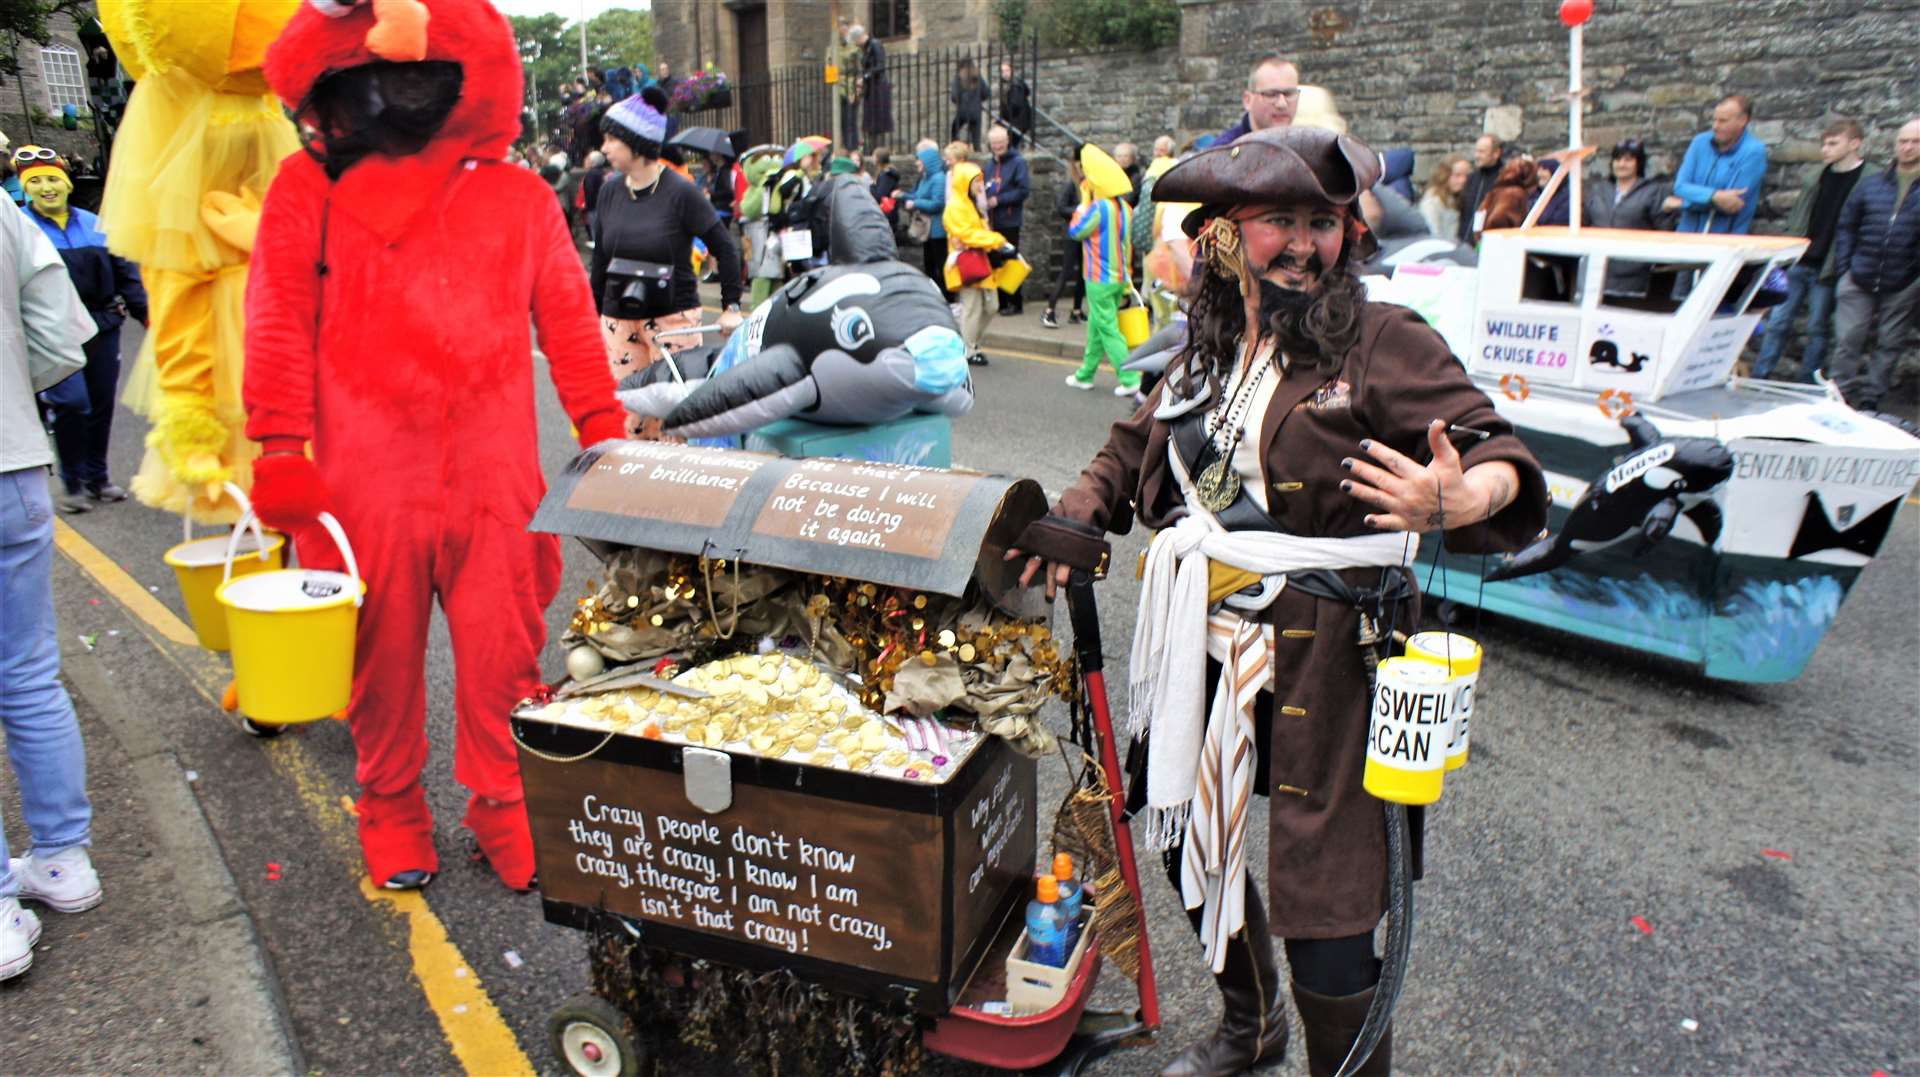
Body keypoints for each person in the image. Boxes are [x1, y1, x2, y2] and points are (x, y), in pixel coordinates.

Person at [1008, 124, 1546, 1077]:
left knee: (1330, 902)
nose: (1304, 244)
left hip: (1338, 648)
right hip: (1206, 633)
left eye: (1323, 222)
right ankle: (1250, 1025)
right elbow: (1136, 442)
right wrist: (1080, 507)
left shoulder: (1384, 340)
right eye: (1278, 223)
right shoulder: (1208, 345)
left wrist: (1464, 495)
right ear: (1222, 236)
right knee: (1188, 836)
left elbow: (1494, 448)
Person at [244, 0, 630, 892]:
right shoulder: (306, 192)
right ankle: (390, 806)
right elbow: (277, 320)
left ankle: (502, 802)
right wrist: (277, 443)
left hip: (494, 478)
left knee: (506, 653)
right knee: (376, 659)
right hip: (361, 482)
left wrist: (601, 428)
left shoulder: (520, 196)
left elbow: (568, 324)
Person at [1, 189, 105, 984]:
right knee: (31, 672)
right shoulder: (5, 216)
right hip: (15, 465)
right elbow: (64, 339)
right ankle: (64, 859)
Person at [591, 94, 744, 432]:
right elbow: (602, 256)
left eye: (612, 139)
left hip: (672, 319)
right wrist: (594, 311)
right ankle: (633, 484)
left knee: (674, 419)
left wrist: (731, 305)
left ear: (636, 142)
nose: (604, 148)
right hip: (619, 319)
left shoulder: (680, 191)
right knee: (628, 417)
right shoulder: (610, 191)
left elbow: (725, 246)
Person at [15, 147, 147, 514]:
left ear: (68, 183)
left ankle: (98, 479)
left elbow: (126, 275)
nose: (46, 188)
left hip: (102, 326)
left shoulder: (94, 225)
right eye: (35, 182)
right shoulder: (19, 230)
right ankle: (72, 483)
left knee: (102, 404)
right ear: (26, 189)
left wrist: (148, 316)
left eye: (53, 179)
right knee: (72, 403)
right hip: (51, 333)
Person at [1753, 119, 1866, 381]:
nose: (1825, 150)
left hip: (1828, 265)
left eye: (1832, 143)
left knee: (1817, 327)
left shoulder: (1867, 179)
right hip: (1800, 260)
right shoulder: (1816, 176)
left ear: (1854, 144)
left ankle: (1808, 382)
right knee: (1778, 321)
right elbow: (1798, 218)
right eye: (1823, 144)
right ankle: (1761, 375)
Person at [1827, 117, 1920, 412]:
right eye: (1902, 141)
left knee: (1890, 343)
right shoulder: (1872, 185)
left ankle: (1872, 398)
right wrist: (1845, 268)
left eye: (1915, 142)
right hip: (1860, 274)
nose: (1907, 147)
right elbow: (1847, 225)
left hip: (1904, 280)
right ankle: (1839, 397)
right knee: (1847, 339)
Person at [1063, 145, 1137, 396]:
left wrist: (1081, 207)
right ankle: (1085, 374)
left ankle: (1129, 377)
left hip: (1098, 277)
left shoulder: (1098, 208)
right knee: (1097, 325)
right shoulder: (1125, 208)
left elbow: (1076, 231)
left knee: (1107, 327)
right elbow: (1127, 246)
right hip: (1118, 276)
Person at [1583, 139, 1678, 296]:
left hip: (1635, 273)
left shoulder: (1653, 191)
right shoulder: (1598, 190)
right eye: (1617, 159)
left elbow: (1664, 230)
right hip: (1596, 271)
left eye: (1628, 160)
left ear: (1638, 163)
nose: (1621, 164)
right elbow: (1585, 223)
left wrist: (1668, 212)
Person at [942, 143, 1007, 368]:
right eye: (976, 181)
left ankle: (970, 343)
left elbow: (977, 234)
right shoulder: (956, 207)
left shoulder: (970, 205)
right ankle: (969, 349)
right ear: (965, 183)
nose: (980, 185)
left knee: (991, 306)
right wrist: (997, 240)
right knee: (972, 308)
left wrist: (990, 239)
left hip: (980, 260)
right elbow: (968, 235)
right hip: (967, 262)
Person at [1666, 94, 1768, 235]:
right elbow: (1680, 187)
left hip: (1725, 242)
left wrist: (1682, 203)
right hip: (1685, 238)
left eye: (1723, 121)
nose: (1715, 126)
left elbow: (1732, 204)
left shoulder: (1753, 151)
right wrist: (1715, 195)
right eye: (1714, 119)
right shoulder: (1699, 142)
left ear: (1743, 120)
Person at [984, 125, 1030, 316]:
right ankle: (1002, 301)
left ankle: (1015, 302)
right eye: (994, 143)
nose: (997, 146)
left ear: (1007, 141)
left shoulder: (1018, 162)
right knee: (996, 261)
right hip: (992, 221)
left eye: (1000, 142)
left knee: (1010, 261)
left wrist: (999, 200)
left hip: (1009, 220)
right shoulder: (989, 165)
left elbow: (1023, 191)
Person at [902, 139, 950, 301]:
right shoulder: (926, 178)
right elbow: (919, 195)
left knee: (940, 265)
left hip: (937, 230)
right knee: (929, 264)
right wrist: (903, 196)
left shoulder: (938, 179)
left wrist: (915, 203)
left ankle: (946, 296)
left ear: (927, 161)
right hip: (928, 231)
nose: (916, 163)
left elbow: (937, 204)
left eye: (919, 160)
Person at [1214, 55, 1300, 145]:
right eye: (1271, 94)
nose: (1282, 104)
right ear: (1248, 100)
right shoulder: (1224, 152)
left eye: (1289, 94)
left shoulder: (1306, 147)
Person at [739, 152, 785, 308]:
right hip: (753, 237)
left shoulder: (778, 185)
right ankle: (757, 310)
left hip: (771, 236)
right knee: (758, 277)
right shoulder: (756, 189)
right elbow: (748, 208)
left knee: (775, 276)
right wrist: (763, 189)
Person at [1041, 175, 1085, 329]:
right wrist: (1078, 209)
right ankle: (1049, 311)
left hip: (1086, 234)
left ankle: (1077, 311)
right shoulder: (1072, 184)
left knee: (1083, 274)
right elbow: (1061, 207)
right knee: (1066, 272)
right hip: (1072, 234)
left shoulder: (1092, 185)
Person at [1457, 133, 1508, 243]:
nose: (1477, 156)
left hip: (1489, 242)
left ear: (1496, 153)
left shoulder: (1504, 180)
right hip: (1465, 242)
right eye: (1476, 151)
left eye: (1482, 152)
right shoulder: (1472, 179)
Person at [1476, 155, 1541, 239]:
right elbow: (1497, 219)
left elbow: (1479, 216)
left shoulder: (1495, 191)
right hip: (1501, 242)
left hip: (1487, 242)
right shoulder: (1514, 194)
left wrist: (1479, 237)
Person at [854, 25, 892, 147]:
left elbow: (880, 66)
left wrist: (865, 77)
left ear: (859, 37)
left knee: (878, 121)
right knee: (870, 121)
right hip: (871, 87)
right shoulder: (866, 48)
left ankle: (878, 147)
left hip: (878, 86)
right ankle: (871, 146)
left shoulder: (875, 44)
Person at [1418, 155, 1470, 239]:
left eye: (1466, 176)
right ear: (1445, 175)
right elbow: (1432, 233)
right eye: (1457, 175)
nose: (1463, 180)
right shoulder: (1433, 201)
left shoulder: (1458, 197)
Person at [949, 58, 987, 149]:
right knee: (976, 139)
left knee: (955, 130)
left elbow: (954, 96)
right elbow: (986, 93)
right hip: (976, 112)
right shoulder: (978, 77)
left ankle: (955, 148)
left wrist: (960, 101)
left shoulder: (958, 77)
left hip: (963, 111)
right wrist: (978, 100)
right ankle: (977, 152)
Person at [996, 59, 1032, 147]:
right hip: (1017, 121)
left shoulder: (1015, 85)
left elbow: (1015, 105)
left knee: (1009, 146)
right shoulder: (1010, 84)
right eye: (1002, 71)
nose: (1005, 73)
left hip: (1017, 121)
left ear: (1012, 71)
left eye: (1007, 70)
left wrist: (1001, 119)